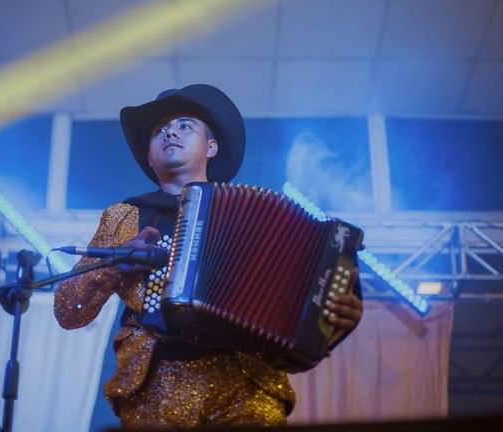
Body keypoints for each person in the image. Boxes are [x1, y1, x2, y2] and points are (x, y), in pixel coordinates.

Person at [54, 84, 363, 428]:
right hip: (155, 388)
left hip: (247, 389)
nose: (170, 132)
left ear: (211, 146)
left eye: (185, 125)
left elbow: (305, 301)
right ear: (150, 156)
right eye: (159, 131)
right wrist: (115, 267)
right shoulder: (124, 217)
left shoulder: (255, 216)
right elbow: (68, 310)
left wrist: (332, 319)